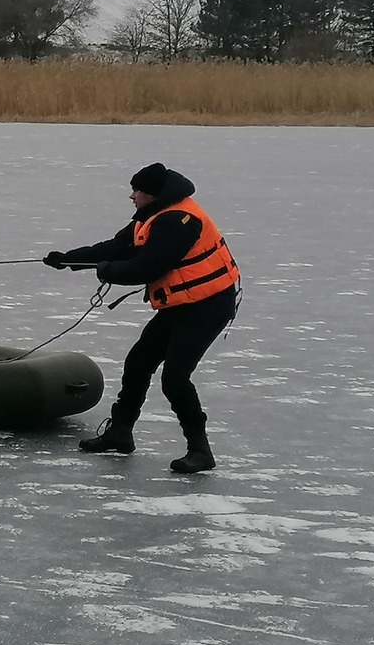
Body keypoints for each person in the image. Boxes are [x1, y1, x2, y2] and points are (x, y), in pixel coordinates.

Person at [44, 163, 238, 473]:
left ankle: (200, 451)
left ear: (153, 195)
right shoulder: (153, 215)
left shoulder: (178, 221)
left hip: (208, 306)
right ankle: (120, 433)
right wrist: (69, 258)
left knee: (175, 378)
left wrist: (106, 270)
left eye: (138, 192)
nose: (132, 196)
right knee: (138, 363)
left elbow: (148, 268)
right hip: (180, 305)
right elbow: (118, 247)